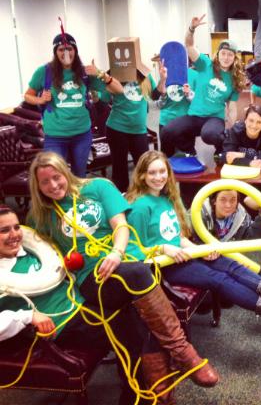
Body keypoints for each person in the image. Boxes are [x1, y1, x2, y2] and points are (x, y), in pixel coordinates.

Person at [27, 151, 219, 395]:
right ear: (38, 186)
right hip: (93, 278)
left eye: (57, 177)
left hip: (125, 259)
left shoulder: (98, 187)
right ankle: (183, 352)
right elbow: (38, 256)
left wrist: (116, 252)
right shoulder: (39, 216)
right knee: (139, 276)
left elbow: (121, 226)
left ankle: (149, 393)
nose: (53, 185)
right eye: (45, 182)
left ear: (66, 172)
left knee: (137, 320)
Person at [125, 150, 261, 331]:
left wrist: (198, 250)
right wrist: (164, 249)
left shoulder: (166, 199)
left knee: (231, 265)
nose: (158, 177)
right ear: (141, 175)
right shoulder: (141, 207)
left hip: (185, 254)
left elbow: (176, 236)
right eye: (152, 173)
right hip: (164, 267)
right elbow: (132, 252)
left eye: (162, 171)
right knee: (220, 279)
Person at [0, 204, 154, 404]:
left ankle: (138, 387)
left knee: (136, 308)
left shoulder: (34, 251)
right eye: (4, 230)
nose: (14, 235)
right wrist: (28, 316)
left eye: (16, 227)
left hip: (82, 303)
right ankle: (140, 396)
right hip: (61, 324)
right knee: (128, 328)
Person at [23, 33, 109, 177]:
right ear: (55, 52)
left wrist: (99, 74)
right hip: (55, 135)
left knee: (79, 175)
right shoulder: (44, 71)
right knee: (55, 175)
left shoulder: (84, 72)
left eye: (69, 48)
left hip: (82, 134)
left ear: (75, 50)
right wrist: (41, 100)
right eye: (61, 49)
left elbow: (107, 92)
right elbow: (27, 95)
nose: (66, 53)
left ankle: (76, 200)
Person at [160, 15, 246, 158]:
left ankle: (221, 150)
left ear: (234, 58)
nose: (226, 57)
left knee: (209, 134)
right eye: (223, 53)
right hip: (194, 116)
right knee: (167, 132)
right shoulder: (205, 64)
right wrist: (192, 29)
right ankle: (189, 151)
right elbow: (189, 46)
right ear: (218, 54)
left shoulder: (235, 79)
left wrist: (230, 128)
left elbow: (232, 107)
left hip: (214, 118)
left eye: (230, 55)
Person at [97, 51, 159, 192]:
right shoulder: (113, 75)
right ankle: (121, 205)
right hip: (117, 129)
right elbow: (103, 102)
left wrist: (163, 79)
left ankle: (144, 201)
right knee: (120, 172)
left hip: (139, 130)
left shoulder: (145, 74)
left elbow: (155, 95)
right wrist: (96, 95)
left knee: (144, 169)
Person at [220, 105, 261, 169]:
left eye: (259, 122)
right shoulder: (235, 130)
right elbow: (225, 156)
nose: (254, 126)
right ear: (245, 120)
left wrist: (241, 155)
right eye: (251, 120)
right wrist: (250, 163)